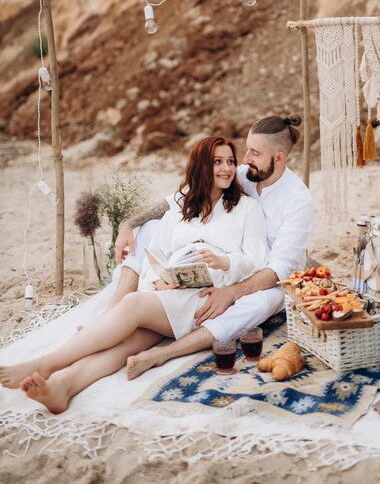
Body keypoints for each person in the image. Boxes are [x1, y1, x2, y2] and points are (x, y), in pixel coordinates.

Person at [0, 137, 267, 413]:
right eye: (218, 162)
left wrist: (224, 262)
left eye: (231, 162)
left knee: (132, 303)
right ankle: (63, 387)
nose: (227, 168)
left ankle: (48, 363)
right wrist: (159, 279)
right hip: (170, 291)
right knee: (125, 345)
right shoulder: (182, 205)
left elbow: (257, 259)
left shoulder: (246, 208)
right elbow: (155, 252)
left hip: (204, 298)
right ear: (201, 166)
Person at [115, 114, 314, 379]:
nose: (244, 160)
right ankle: (115, 310)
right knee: (148, 229)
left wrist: (232, 292)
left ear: (278, 158)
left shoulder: (298, 200)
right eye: (246, 150)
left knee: (259, 303)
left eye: (254, 153)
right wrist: (129, 223)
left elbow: (280, 269)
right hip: (231, 259)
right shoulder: (245, 174)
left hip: (268, 276)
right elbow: (177, 200)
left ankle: (164, 353)